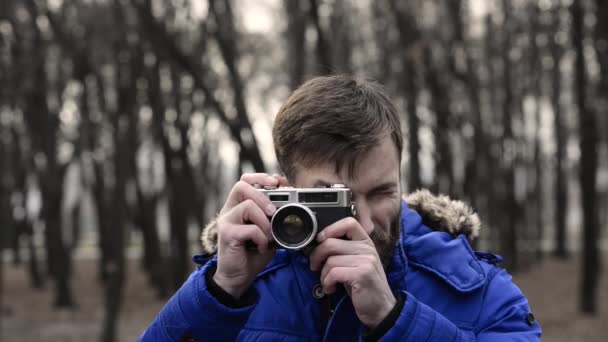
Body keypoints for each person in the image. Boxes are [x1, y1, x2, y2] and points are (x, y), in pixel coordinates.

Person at [139, 75, 541, 341]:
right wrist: (218, 293)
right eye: (332, 199)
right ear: (287, 188)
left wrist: (393, 319)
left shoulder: (482, 291)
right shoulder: (242, 283)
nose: (363, 224)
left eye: (382, 193)